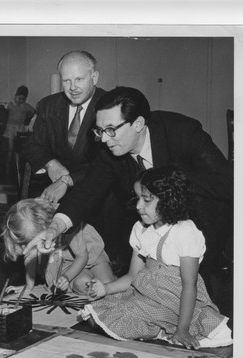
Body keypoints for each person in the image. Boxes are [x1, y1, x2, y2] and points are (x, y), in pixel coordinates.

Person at [25, 86, 233, 286]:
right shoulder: (110, 151)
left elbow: (227, 183)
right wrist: (53, 229)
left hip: (202, 219)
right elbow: (86, 192)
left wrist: (170, 182)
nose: (104, 139)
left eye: (110, 130)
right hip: (152, 227)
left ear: (138, 124)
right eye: (99, 131)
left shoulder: (183, 132)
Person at [82, 166, 232, 349]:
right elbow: (132, 276)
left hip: (176, 301)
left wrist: (182, 329)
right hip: (146, 293)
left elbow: (189, 286)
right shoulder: (140, 229)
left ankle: (166, 327)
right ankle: (155, 328)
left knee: (116, 320)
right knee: (94, 316)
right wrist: (105, 288)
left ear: (169, 200)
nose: (138, 206)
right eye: (137, 198)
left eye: (146, 200)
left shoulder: (185, 232)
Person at [22, 50, 106, 204]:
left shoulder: (109, 106)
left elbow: (106, 163)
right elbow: (33, 146)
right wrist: (51, 164)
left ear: (94, 78)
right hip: (51, 193)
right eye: (66, 80)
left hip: (96, 196)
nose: (73, 87)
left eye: (79, 79)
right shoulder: (48, 105)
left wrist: (67, 180)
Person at [2, 198, 115, 296]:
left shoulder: (66, 222)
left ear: (46, 225)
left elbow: (82, 256)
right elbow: (30, 256)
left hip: (89, 255)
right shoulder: (31, 230)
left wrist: (66, 277)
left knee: (109, 284)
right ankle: (80, 282)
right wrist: (29, 285)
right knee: (85, 285)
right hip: (66, 265)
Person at [2, 85, 35, 173]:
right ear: (16, 96)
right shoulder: (10, 104)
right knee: (10, 148)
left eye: (23, 99)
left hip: (21, 129)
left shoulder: (27, 107)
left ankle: (19, 167)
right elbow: (3, 112)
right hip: (10, 129)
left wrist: (28, 122)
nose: (21, 100)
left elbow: (34, 113)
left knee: (20, 149)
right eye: (19, 98)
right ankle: (7, 167)